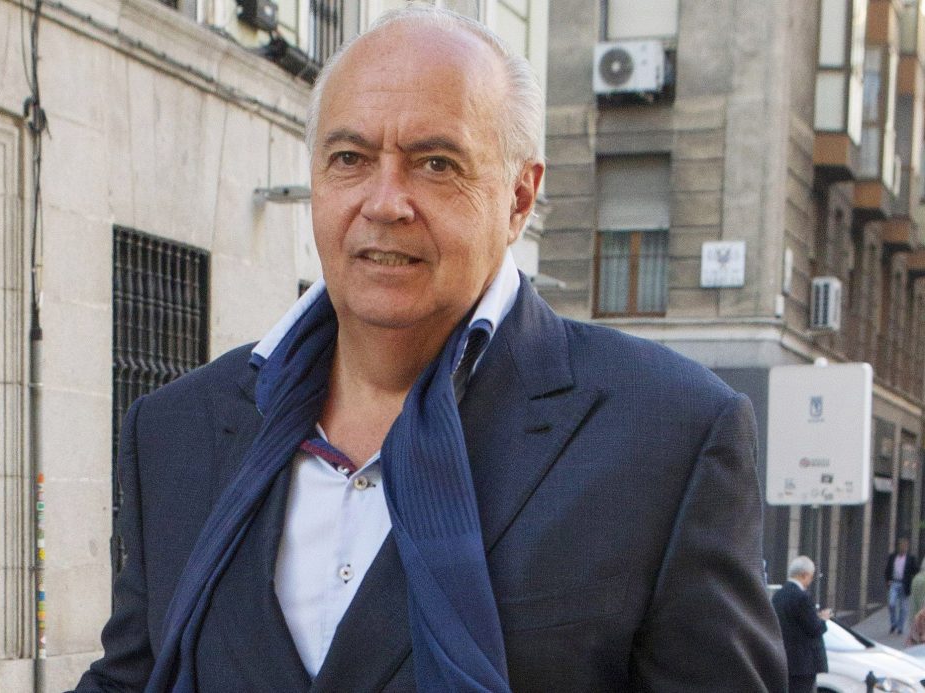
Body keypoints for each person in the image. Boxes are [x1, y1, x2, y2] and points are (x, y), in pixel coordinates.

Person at [74, 6, 786, 692]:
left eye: (436, 164)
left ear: (519, 197)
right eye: (350, 158)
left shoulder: (668, 435)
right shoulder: (176, 429)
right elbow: (134, 676)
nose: (385, 202)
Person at [772, 556, 830, 693]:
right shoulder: (802, 597)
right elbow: (814, 628)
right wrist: (823, 619)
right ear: (804, 575)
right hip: (803, 664)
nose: (810, 580)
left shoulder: (778, 596)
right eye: (811, 576)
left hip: (785, 659)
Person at [885, 537, 919, 634]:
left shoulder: (910, 558)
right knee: (891, 604)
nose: (903, 548)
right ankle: (893, 623)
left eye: (905, 546)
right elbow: (887, 569)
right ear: (898, 547)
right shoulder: (892, 557)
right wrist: (888, 580)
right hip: (894, 583)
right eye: (902, 546)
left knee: (903, 608)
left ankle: (900, 627)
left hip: (904, 585)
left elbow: (915, 571)